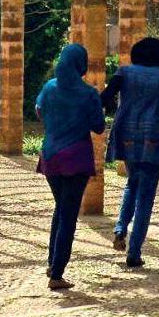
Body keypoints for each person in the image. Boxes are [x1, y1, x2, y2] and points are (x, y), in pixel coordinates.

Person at [34, 43, 106, 290]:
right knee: (68, 215)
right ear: (81, 64)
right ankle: (57, 273)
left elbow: (39, 111)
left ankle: (51, 263)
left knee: (61, 209)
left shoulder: (49, 87)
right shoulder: (89, 94)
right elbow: (99, 127)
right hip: (76, 159)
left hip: (50, 156)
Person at [102, 36, 159, 269]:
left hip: (126, 134)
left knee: (132, 183)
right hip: (154, 136)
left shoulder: (124, 73)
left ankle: (120, 228)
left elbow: (105, 97)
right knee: (146, 195)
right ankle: (134, 253)